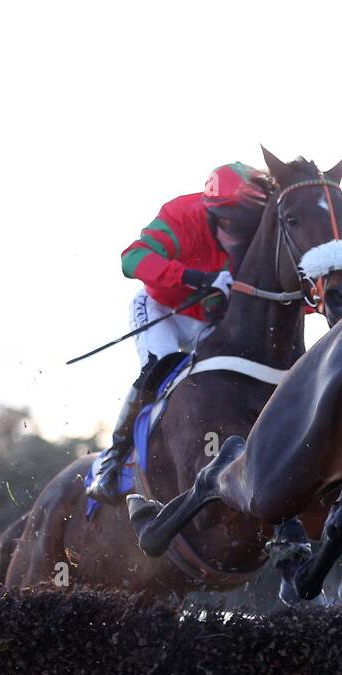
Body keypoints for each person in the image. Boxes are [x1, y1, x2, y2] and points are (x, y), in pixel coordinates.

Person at [86, 163, 267, 504]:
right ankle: (113, 458)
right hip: (162, 310)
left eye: (246, 223)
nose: (236, 235)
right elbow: (132, 259)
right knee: (162, 365)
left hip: (213, 322)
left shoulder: (262, 233)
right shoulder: (183, 214)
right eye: (229, 222)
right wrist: (198, 278)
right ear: (210, 212)